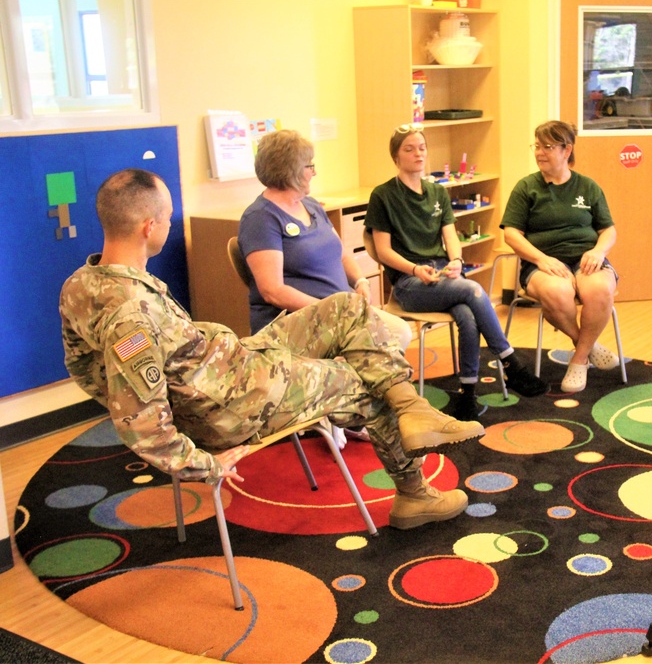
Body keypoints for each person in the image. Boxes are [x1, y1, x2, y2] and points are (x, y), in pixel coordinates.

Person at [60, 168, 486, 531]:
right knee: (359, 381)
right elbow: (141, 421)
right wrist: (205, 462)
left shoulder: (82, 284)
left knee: (347, 309)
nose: (170, 225)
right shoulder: (130, 314)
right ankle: (414, 493)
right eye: (168, 218)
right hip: (231, 402)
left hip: (231, 364)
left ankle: (411, 408)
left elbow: (85, 370)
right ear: (148, 227)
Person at [364, 123, 548, 421]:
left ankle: (466, 394)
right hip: (409, 283)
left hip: (441, 275)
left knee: (466, 313)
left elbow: (451, 237)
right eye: (409, 149)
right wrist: (414, 269)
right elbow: (383, 251)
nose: (418, 153)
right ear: (396, 157)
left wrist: (457, 262)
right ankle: (510, 361)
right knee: (473, 290)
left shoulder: (437, 191)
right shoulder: (383, 195)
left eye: (422, 147)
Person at [238, 129, 411, 347]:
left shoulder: (310, 205)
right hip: (298, 323)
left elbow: (341, 254)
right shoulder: (260, 219)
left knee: (399, 332)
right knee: (388, 341)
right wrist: (333, 311)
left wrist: (361, 282)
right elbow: (273, 291)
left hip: (341, 312)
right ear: (290, 171)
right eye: (309, 166)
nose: (314, 172)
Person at [501, 120, 619, 394]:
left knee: (600, 289)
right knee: (557, 293)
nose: (540, 152)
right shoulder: (526, 187)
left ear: (567, 151)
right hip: (542, 263)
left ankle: (578, 359)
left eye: (547, 147)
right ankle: (588, 348)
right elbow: (511, 234)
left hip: (586, 258)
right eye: (537, 146)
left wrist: (598, 251)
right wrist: (541, 259)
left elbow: (608, 230)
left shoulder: (588, 187)